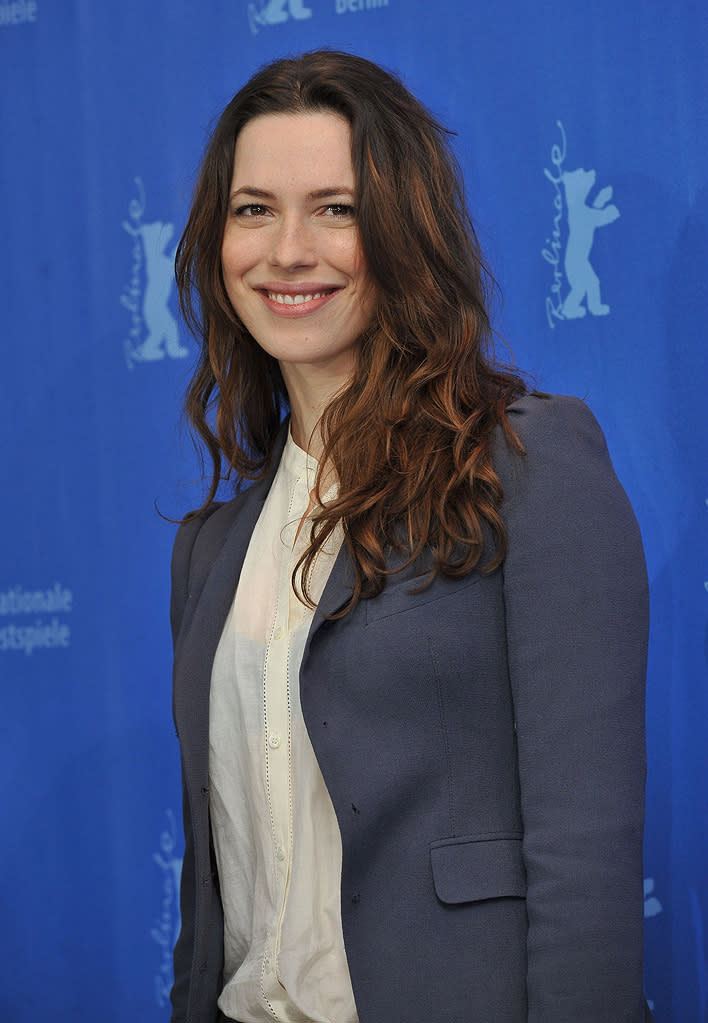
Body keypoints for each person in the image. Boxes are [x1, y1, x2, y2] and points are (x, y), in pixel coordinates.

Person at [169, 50, 650, 1023]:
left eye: (335, 209)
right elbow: (218, 895)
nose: (287, 250)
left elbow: (584, 861)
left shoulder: (529, 470)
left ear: (403, 234)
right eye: (253, 209)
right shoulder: (213, 548)